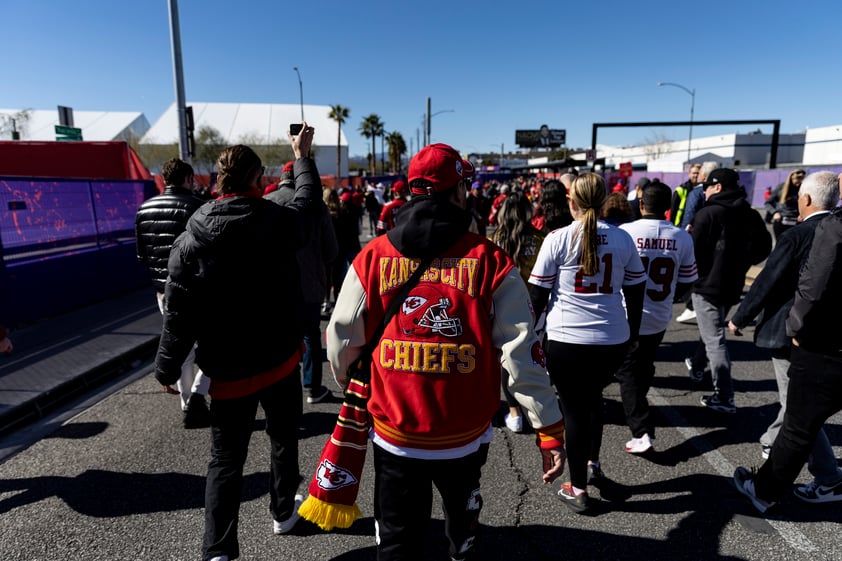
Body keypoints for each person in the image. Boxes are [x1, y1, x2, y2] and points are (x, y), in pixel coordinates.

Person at [324, 143, 566, 561]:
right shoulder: (490, 260)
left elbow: (341, 340)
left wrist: (359, 384)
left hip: (396, 432)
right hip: (464, 435)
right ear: (456, 192)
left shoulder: (373, 256)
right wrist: (548, 427)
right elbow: (522, 352)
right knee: (462, 524)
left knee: (398, 540)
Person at [154, 124, 320, 561]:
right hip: (281, 360)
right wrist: (301, 155)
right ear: (258, 179)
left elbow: (178, 316)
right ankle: (284, 513)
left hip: (226, 371)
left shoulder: (191, 240)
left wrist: (167, 369)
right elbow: (307, 202)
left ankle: (218, 549)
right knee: (284, 442)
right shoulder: (279, 222)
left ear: (216, 181)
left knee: (226, 462)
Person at [529, 172, 646, 513]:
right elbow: (636, 290)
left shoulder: (558, 238)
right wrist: (634, 333)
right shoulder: (622, 238)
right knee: (594, 403)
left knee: (575, 411)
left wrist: (528, 337)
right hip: (613, 338)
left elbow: (537, 296)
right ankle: (592, 465)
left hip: (568, 339)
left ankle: (577, 486)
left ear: (572, 201)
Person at [734, 173, 842, 511]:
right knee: (802, 413)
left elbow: (772, 281)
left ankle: (821, 477)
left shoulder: (807, 232)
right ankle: (817, 472)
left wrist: (741, 317)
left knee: (798, 414)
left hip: (804, 336)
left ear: (806, 200)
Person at [616, 181, 698, 453]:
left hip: (628, 313)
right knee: (643, 364)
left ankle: (641, 431)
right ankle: (638, 405)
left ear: (641, 204)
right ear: (669, 208)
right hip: (660, 314)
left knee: (628, 371)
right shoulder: (682, 237)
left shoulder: (626, 232)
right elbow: (688, 281)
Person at [687, 168, 771, 413]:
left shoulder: (707, 214)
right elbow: (763, 248)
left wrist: (699, 273)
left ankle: (725, 396)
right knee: (711, 331)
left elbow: (693, 253)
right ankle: (697, 366)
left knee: (714, 339)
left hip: (706, 286)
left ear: (718, 187)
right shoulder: (750, 215)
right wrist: (742, 261)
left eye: (708, 187)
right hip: (732, 285)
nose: (705, 192)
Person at [135, 157, 211, 429]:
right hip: (198, 288)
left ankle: (187, 400)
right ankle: (199, 395)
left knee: (182, 345)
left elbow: (142, 255)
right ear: (189, 179)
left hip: (163, 291)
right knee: (211, 343)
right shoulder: (199, 208)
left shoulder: (144, 210)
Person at [265, 161, 338, 404]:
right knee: (310, 337)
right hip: (309, 286)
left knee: (277, 338)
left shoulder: (268, 203)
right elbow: (331, 251)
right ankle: (312, 388)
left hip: (275, 287)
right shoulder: (317, 207)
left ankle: (280, 392)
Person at [489, 191, 546, 433]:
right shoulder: (541, 238)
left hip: (500, 307)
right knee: (533, 359)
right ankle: (536, 409)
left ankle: (514, 412)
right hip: (535, 307)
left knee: (505, 361)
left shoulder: (493, 239)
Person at [765, 168, 806, 241]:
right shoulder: (781, 187)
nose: (799, 182)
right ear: (791, 178)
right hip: (781, 222)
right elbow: (768, 203)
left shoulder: (802, 189)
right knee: (781, 244)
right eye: (798, 179)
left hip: (796, 222)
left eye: (802, 179)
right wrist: (774, 213)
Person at [679, 161, 719, 232]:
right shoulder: (719, 190)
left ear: (704, 176)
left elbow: (689, 215)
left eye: (699, 173)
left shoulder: (696, 193)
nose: (697, 175)